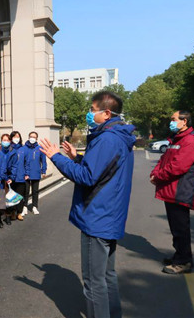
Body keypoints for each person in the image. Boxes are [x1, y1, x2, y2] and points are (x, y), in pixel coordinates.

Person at [38, 91, 135, 318]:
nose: (89, 114)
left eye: (93, 110)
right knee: (107, 275)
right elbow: (103, 171)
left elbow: (87, 177)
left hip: (98, 217)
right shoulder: (117, 136)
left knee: (93, 281)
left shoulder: (107, 138)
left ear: (107, 112)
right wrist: (77, 158)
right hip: (110, 214)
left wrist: (57, 157)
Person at [150, 110, 194, 274]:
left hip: (181, 190)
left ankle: (184, 261)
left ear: (184, 121)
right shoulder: (177, 139)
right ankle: (179, 255)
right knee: (176, 227)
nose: (171, 122)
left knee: (181, 227)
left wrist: (158, 176)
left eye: (174, 119)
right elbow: (164, 160)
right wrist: (155, 172)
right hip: (172, 189)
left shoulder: (189, 141)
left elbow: (178, 167)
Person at [24, 131, 47, 215]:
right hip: (26, 174)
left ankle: (34, 206)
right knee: (25, 191)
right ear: (28, 137)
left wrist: (43, 171)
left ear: (36, 138)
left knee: (35, 191)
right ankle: (25, 206)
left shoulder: (40, 148)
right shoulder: (24, 148)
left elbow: (43, 161)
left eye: (34, 137)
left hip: (36, 173)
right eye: (31, 136)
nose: (32, 138)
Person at [8, 131, 28, 221]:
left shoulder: (23, 149)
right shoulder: (9, 148)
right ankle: (12, 212)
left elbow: (27, 162)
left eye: (18, 136)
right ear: (11, 138)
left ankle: (19, 213)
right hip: (11, 177)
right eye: (14, 136)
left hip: (21, 175)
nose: (16, 138)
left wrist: (27, 173)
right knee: (11, 196)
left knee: (20, 195)